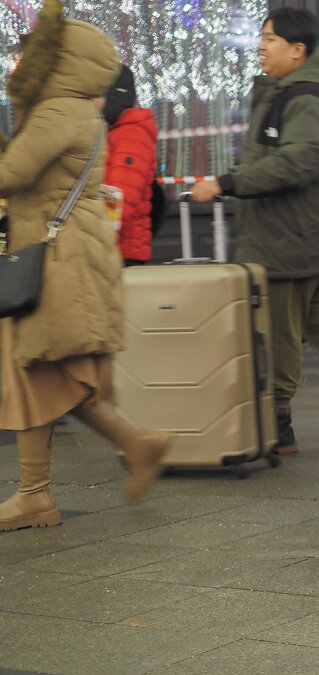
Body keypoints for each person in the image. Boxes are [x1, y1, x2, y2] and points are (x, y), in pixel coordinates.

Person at [0, 2, 170, 532]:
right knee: (50, 374)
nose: (16, 62)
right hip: (67, 256)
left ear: (56, 60)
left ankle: (36, 493)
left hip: (58, 261)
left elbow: (11, 174)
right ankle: (129, 446)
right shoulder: (73, 109)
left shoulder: (56, 112)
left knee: (36, 372)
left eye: (26, 53)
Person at [190, 8, 319, 454]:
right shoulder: (299, 89)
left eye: (270, 39)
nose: (261, 46)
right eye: (262, 37)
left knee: (283, 327)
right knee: (318, 318)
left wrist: (227, 183)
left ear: (297, 49)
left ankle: (278, 421)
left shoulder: (305, 94)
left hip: (295, 234)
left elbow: (298, 161)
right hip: (308, 230)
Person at [100, 65, 159, 266]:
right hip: (114, 249)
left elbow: (119, 200)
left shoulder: (130, 134)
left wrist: (92, 236)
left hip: (121, 253)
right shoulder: (116, 131)